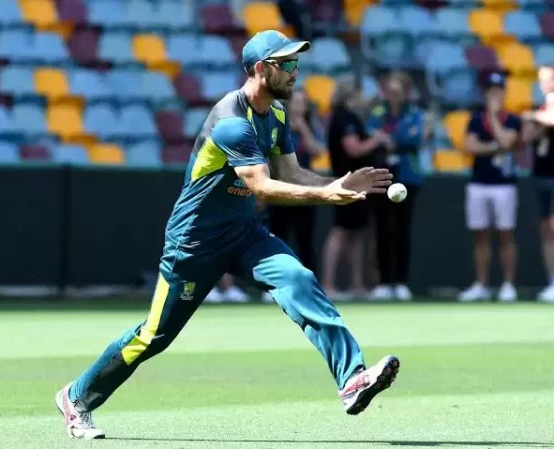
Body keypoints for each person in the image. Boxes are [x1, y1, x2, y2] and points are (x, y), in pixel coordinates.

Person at [54, 30, 399, 440]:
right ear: (261, 69)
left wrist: (337, 183)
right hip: (194, 242)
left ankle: (351, 377)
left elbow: (291, 173)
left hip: (244, 232)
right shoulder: (232, 122)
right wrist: (327, 195)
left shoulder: (277, 115)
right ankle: (76, 396)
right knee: (153, 336)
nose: (296, 72)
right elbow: (263, 186)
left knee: (298, 279)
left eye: (296, 63)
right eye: (287, 64)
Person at [322, 79, 392, 300]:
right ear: (352, 95)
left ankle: (357, 285)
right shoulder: (345, 118)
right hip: (347, 182)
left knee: (357, 233)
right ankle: (328, 285)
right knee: (340, 232)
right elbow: (353, 149)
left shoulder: (347, 117)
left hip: (356, 183)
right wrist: (377, 140)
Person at [458, 71, 522, 302]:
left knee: (506, 235)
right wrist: (495, 147)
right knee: (480, 236)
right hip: (479, 183)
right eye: (491, 91)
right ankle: (481, 284)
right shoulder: (476, 119)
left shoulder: (512, 119)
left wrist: (494, 118)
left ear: (504, 93)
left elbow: (507, 141)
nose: (495, 95)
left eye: (498, 90)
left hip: (504, 185)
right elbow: (469, 146)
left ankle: (508, 285)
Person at [366, 72, 427, 301]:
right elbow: (368, 131)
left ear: (406, 93)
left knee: (402, 229)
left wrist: (386, 138)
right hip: (381, 175)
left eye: (397, 92)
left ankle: (401, 282)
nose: (393, 96)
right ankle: (383, 282)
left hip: (407, 176)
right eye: (390, 92)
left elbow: (414, 138)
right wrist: (383, 138)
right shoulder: (378, 112)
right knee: (382, 229)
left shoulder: (414, 113)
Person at [267, 89, 325, 275]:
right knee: (279, 238)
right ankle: (278, 281)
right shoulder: (276, 123)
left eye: (304, 103)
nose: (301, 107)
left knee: (305, 240)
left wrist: (303, 128)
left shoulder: (309, 125)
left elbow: (317, 151)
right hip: (280, 189)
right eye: (297, 102)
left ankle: (309, 282)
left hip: (304, 191)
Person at [522, 64, 554, 303]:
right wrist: (536, 124)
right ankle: (552, 281)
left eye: (549, 78)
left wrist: (533, 117)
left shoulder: (542, 111)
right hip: (542, 174)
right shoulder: (542, 108)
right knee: (546, 230)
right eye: (542, 80)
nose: (545, 84)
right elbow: (525, 138)